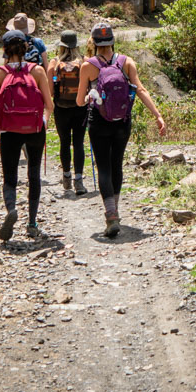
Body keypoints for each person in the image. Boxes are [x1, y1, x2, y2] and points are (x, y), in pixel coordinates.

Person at [77, 23, 166, 237]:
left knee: (104, 167)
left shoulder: (88, 66)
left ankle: (111, 215)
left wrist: (90, 95)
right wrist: (158, 115)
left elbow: (80, 101)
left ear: (94, 42)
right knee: (116, 164)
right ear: (113, 41)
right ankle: (115, 209)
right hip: (122, 123)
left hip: (99, 123)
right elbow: (141, 89)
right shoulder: (127, 62)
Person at [0, 29, 52, 241]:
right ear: (26, 48)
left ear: (5, 50)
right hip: (34, 129)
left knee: (10, 176)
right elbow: (49, 105)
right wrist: (44, 122)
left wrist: (0, 127)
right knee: (33, 174)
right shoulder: (37, 71)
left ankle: (11, 210)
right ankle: (32, 223)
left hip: (9, 131)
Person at [47, 30, 88, 195]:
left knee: (64, 142)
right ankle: (79, 180)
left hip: (61, 109)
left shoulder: (54, 63)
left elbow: (50, 91)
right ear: (76, 45)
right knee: (78, 143)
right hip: (80, 107)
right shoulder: (84, 62)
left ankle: (66, 177)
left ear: (61, 46)